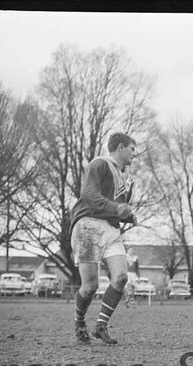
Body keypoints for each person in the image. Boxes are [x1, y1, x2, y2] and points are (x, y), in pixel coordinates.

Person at [69, 132, 137, 344]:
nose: (134, 154)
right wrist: (117, 208)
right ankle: (79, 323)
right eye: (132, 149)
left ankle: (101, 326)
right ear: (120, 147)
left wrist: (127, 215)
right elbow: (88, 195)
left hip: (111, 230)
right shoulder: (98, 164)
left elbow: (116, 208)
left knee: (121, 277)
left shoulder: (123, 176)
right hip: (88, 226)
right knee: (89, 286)